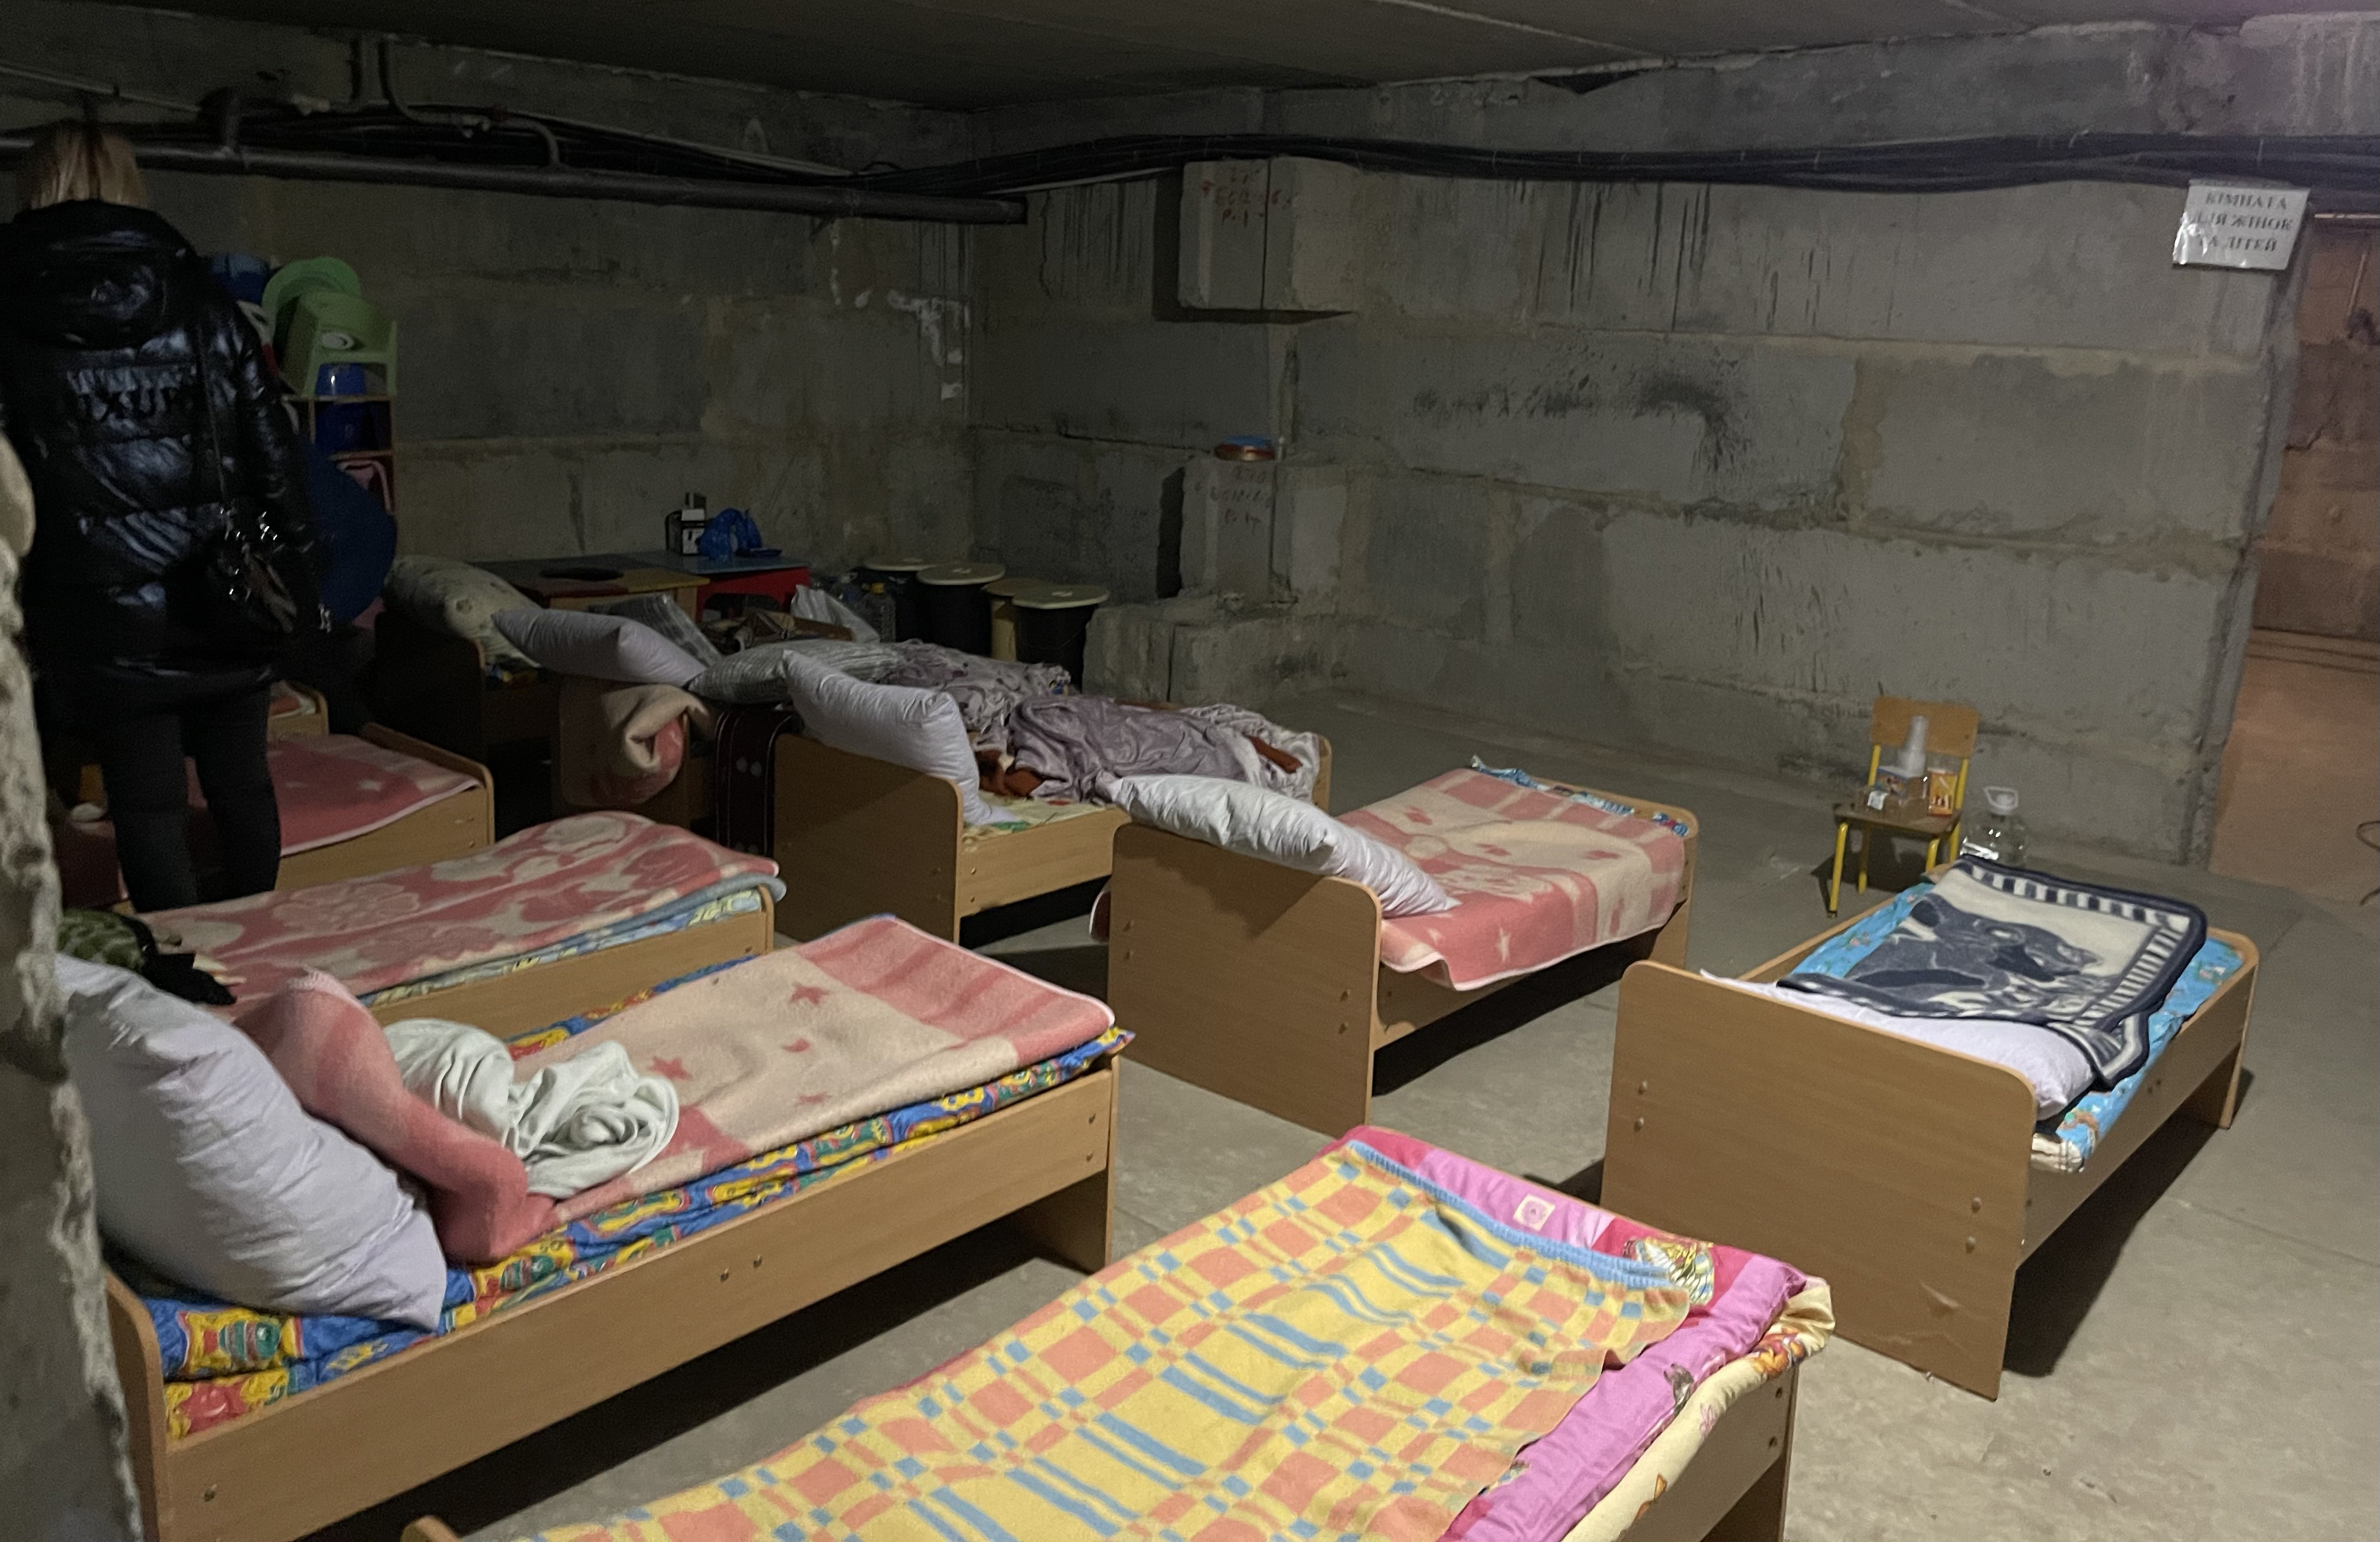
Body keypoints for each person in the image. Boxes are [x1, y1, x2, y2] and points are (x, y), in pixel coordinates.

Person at [0, 122, 320, 911]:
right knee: (242, 785)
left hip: (96, 610)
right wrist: (298, 564)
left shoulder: (8, 315)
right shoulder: (204, 303)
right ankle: (261, 944)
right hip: (225, 590)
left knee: (145, 808)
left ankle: (182, 966)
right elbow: (274, 454)